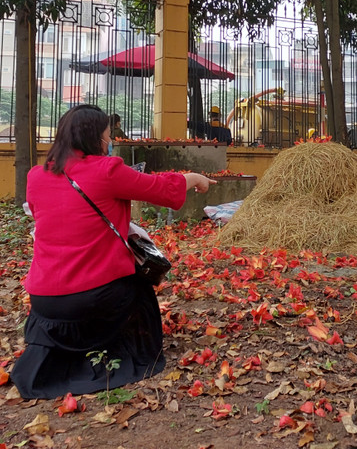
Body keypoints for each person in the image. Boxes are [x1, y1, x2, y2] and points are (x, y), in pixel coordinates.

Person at [11, 104, 215, 399]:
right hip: (90, 298)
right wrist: (194, 178)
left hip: (44, 303)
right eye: (108, 136)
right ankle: (125, 352)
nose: (110, 142)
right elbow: (158, 188)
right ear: (94, 138)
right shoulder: (106, 170)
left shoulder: (36, 176)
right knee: (139, 285)